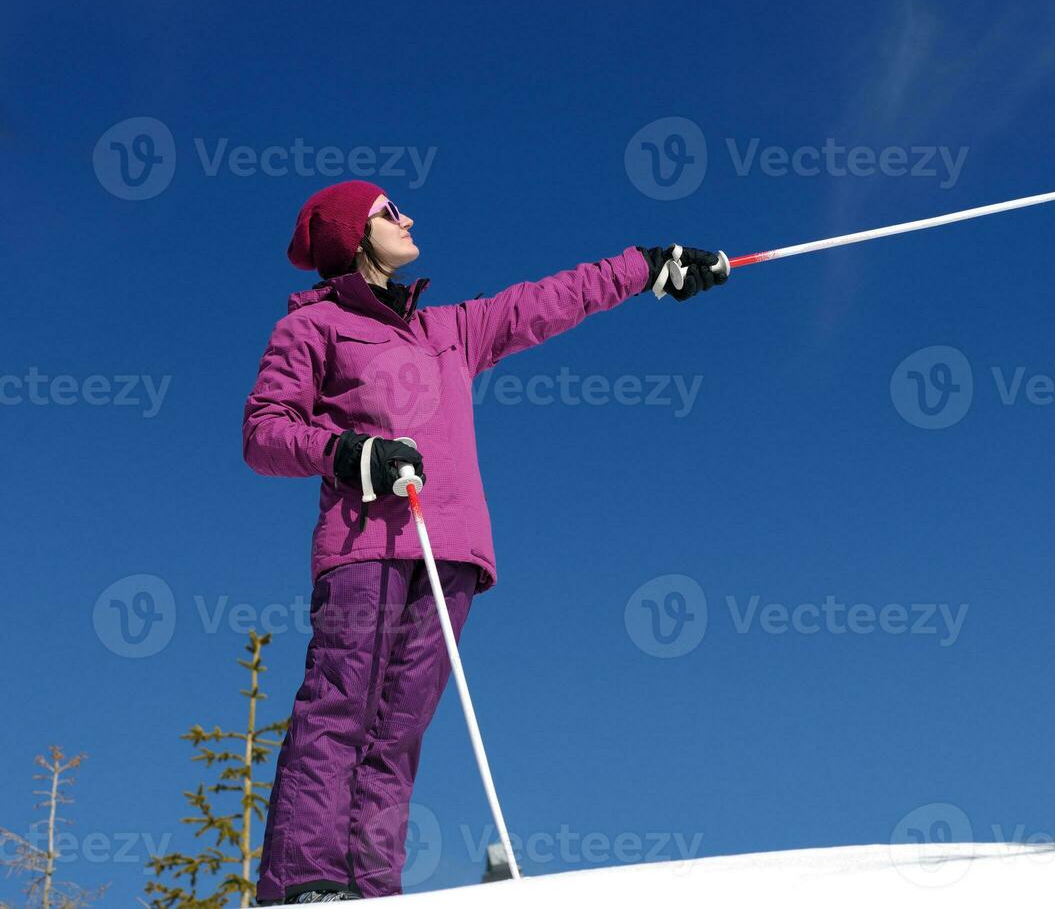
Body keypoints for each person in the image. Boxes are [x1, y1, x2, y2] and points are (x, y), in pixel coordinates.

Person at [242, 179, 728, 904]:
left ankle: (371, 890)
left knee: (398, 733)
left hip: (452, 553)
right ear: (352, 236)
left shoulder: (450, 330)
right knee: (340, 709)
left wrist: (648, 265)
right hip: (364, 545)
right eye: (386, 212)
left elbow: (547, 300)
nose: (406, 218)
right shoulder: (311, 329)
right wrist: (350, 453)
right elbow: (264, 433)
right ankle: (305, 885)